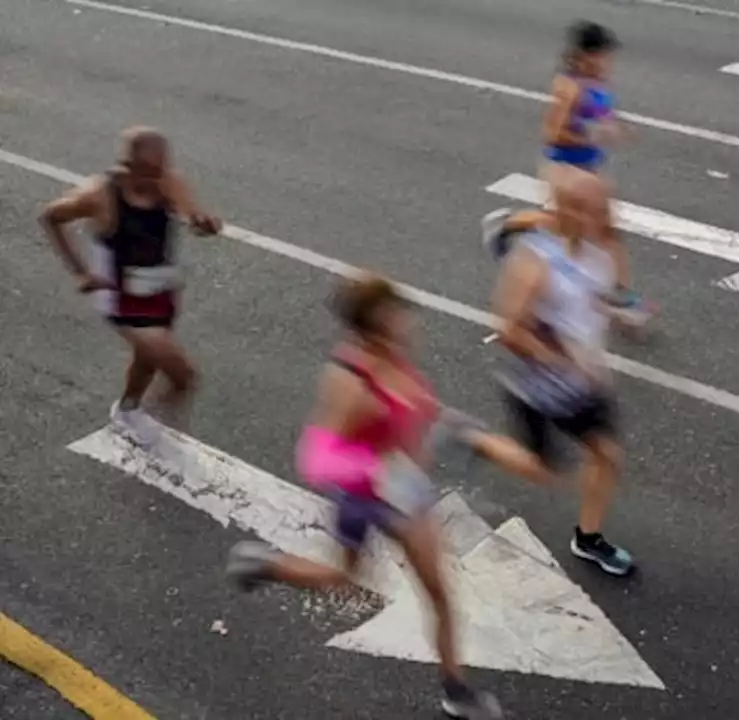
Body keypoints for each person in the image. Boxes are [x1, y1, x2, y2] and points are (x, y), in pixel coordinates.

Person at [224, 273, 526, 719]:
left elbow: (415, 415)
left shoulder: (397, 359)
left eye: (401, 310)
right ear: (371, 325)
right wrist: (375, 476)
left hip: (405, 494)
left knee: (439, 592)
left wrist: (452, 431)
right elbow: (320, 454)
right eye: (394, 313)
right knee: (344, 579)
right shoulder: (351, 380)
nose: (406, 319)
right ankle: (268, 565)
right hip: (364, 497)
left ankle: (456, 691)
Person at [490, 171, 634, 577]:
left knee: (607, 457)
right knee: (546, 471)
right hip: (540, 389)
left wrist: (620, 315)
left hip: (585, 383)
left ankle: (588, 539)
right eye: (595, 209)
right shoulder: (535, 261)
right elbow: (509, 331)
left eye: (606, 207)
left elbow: (595, 296)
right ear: (567, 210)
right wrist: (560, 360)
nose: (606, 216)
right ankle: (475, 441)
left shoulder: (599, 249)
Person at [40, 126, 221, 447]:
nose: (158, 178)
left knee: (147, 359)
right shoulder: (99, 195)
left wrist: (205, 224)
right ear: (127, 167)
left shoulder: (169, 181)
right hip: (121, 298)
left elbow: (195, 219)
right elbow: (51, 217)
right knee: (183, 376)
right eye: (149, 171)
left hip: (160, 289)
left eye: (162, 168)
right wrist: (81, 271)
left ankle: (128, 409)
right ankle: (137, 419)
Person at [540, 20, 652, 326]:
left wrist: (617, 125)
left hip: (589, 169)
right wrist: (594, 135)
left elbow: (601, 114)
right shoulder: (569, 88)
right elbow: (552, 133)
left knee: (606, 232)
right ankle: (571, 299)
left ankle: (620, 294)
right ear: (585, 55)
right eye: (604, 55)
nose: (608, 61)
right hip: (567, 170)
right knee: (574, 238)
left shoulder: (597, 80)